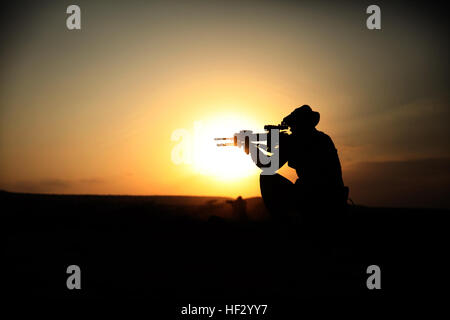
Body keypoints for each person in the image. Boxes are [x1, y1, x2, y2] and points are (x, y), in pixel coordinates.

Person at [259, 105, 348, 225]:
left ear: (301, 124)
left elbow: (269, 166)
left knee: (266, 177)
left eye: (293, 126)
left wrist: (253, 150)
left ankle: (282, 223)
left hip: (315, 198)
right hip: (333, 197)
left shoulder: (297, 141)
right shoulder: (323, 138)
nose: (291, 130)